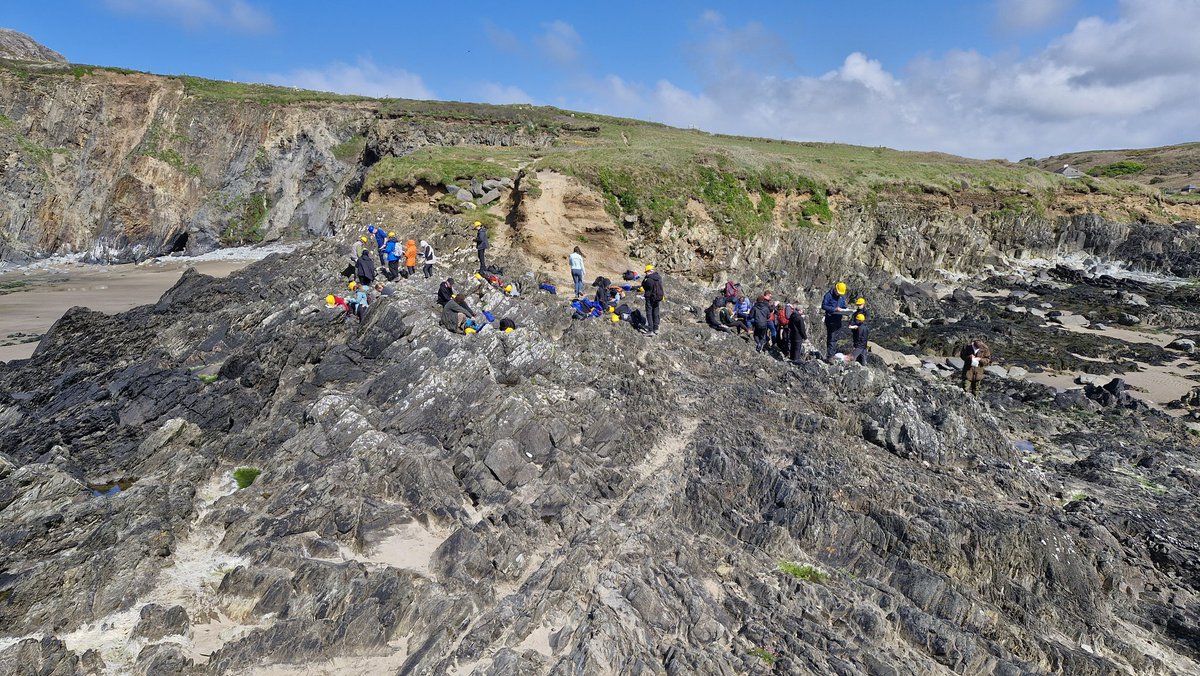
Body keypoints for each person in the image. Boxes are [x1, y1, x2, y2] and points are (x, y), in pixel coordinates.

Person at [821, 282, 852, 358]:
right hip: (830, 319)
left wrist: (846, 310)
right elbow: (824, 306)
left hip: (838, 319)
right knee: (831, 338)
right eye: (838, 292)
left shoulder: (841, 297)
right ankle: (830, 356)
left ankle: (832, 354)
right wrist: (834, 309)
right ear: (835, 288)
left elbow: (843, 306)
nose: (839, 294)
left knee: (835, 339)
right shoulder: (828, 295)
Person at [641, 264, 664, 335]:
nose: (646, 273)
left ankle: (650, 330)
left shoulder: (648, 279)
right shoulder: (659, 277)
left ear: (649, 271)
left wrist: (646, 278)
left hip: (650, 298)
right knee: (656, 312)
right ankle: (656, 328)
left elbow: (644, 285)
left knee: (649, 313)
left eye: (646, 272)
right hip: (657, 297)